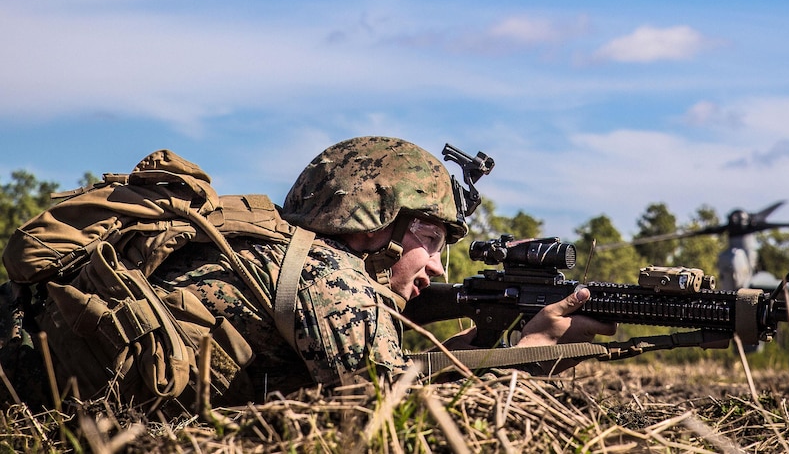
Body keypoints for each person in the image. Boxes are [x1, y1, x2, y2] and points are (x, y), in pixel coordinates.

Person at [149, 136, 616, 399]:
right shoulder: (330, 281)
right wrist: (533, 347)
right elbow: (395, 420)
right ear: (373, 226)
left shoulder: (290, 255)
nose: (436, 265)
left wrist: (470, 352)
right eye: (429, 239)